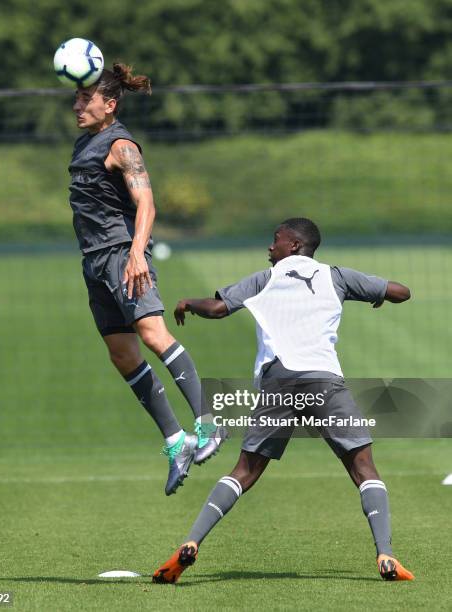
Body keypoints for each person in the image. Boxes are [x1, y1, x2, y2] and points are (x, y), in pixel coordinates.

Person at [153, 217, 414, 581]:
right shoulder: (336, 276)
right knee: (364, 469)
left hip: (278, 382)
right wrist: (378, 297)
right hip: (325, 382)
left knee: (244, 472)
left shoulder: (265, 279)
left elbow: (217, 308)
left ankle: (192, 542)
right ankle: (385, 554)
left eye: (275, 240)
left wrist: (186, 303)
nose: (269, 247)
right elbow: (401, 292)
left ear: (294, 245)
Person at [68, 62, 226, 495]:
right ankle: (177, 441)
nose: (77, 105)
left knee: (153, 334)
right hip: (95, 262)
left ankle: (208, 423)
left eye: (86, 99)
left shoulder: (120, 144)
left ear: (110, 104)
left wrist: (137, 252)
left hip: (122, 255)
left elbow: (147, 203)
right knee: (122, 353)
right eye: (77, 98)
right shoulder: (86, 143)